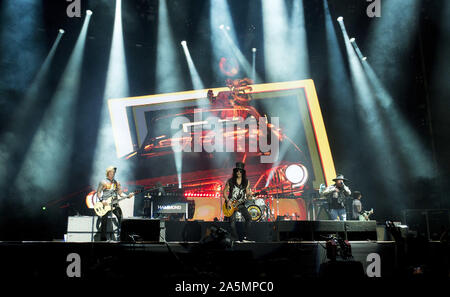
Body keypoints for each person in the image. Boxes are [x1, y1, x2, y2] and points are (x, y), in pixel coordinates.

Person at [96, 166, 134, 241]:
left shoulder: (117, 183)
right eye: (111, 172)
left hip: (115, 203)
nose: (113, 174)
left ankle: (123, 237)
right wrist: (102, 200)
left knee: (121, 219)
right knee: (104, 221)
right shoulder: (103, 182)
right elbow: (99, 192)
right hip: (105, 204)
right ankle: (103, 239)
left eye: (114, 172)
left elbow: (120, 193)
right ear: (108, 173)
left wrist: (127, 196)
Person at [223, 162, 254, 242]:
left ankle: (245, 238)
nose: (238, 173)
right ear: (235, 172)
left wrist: (249, 196)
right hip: (230, 204)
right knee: (232, 223)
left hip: (240, 204)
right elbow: (224, 192)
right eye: (237, 171)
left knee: (249, 218)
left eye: (240, 171)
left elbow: (247, 193)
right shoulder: (230, 181)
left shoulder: (247, 182)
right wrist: (228, 201)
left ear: (243, 172)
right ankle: (235, 238)